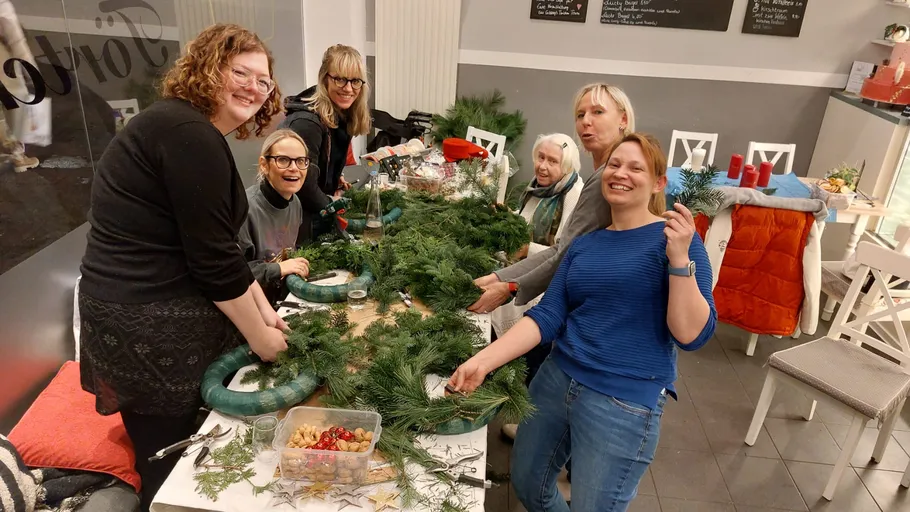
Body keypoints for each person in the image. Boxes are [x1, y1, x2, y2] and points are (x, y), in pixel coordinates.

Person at [77, 24, 288, 511]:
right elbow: (214, 263)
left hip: (144, 309)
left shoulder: (187, 129)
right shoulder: (188, 133)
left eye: (264, 81)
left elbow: (222, 249)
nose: (254, 88)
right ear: (208, 69)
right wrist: (260, 336)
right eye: (241, 73)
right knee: (168, 461)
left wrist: (266, 314)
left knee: (180, 449)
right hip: (145, 321)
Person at [450, 133, 717, 512]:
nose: (621, 173)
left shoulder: (676, 241)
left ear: (659, 182)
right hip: (555, 381)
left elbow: (691, 335)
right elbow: (547, 315)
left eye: (635, 167)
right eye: (615, 164)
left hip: (621, 403)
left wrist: (678, 260)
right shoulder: (586, 245)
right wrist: (483, 361)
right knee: (527, 484)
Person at [492, 133, 582, 439]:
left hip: (549, 288)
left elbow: (566, 252)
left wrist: (524, 250)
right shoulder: (536, 190)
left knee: (537, 357)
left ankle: (533, 423)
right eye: (540, 157)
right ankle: (523, 410)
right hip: (526, 274)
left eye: (552, 161)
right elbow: (524, 225)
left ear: (567, 165)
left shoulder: (574, 196)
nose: (542, 166)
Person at [279, 44, 372, 243]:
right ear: (324, 79)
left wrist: (334, 179)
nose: (348, 88)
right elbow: (302, 184)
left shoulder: (340, 113)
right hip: (295, 223)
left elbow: (321, 161)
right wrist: (330, 205)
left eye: (355, 81)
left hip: (312, 213)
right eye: (339, 79)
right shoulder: (306, 123)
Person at [239, 129, 315, 304]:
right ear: (264, 165)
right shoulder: (245, 210)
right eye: (283, 160)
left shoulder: (295, 202)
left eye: (301, 161)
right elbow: (233, 273)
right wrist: (277, 269)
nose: (294, 168)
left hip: (281, 299)